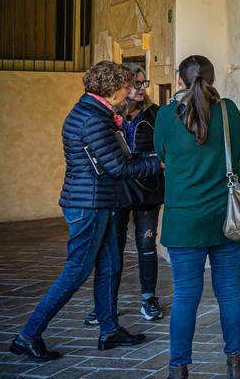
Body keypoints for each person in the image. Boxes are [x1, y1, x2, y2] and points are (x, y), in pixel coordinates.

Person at [10, 61, 160, 361]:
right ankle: (28, 335)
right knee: (76, 271)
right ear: (111, 89)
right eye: (125, 86)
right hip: (88, 204)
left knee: (109, 267)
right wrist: (159, 163)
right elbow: (117, 167)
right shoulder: (93, 119)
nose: (128, 92)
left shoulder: (96, 113)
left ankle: (109, 330)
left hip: (100, 202)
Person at [154, 55, 240, 379]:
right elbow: (239, 153)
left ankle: (178, 376)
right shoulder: (228, 111)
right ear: (213, 80)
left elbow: (161, 155)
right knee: (228, 291)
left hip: (184, 220)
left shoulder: (166, 115)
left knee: (184, 297)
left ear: (179, 81)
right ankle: (235, 365)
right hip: (226, 217)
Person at [84, 62, 164, 326]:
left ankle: (148, 299)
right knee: (112, 249)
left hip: (147, 188)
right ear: (122, 87)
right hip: (115, 189)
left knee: (146, 245)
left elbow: (164, 150)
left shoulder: (157, 114)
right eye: (135, 84)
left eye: (143, 83)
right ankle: (106, 306)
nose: (141, 89)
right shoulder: (106, 115)